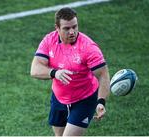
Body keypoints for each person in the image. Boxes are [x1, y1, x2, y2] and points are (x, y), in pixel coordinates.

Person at [30, 7, 110, 136]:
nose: (72, 32)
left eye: (75, 26)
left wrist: (101, 101)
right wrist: (55, 73)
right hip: (58, 98)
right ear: (57, 27)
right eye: (67, 28)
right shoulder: (49, 40)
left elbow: (103, 75)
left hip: (84, 99)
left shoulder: (88, 48)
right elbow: (35, 69)